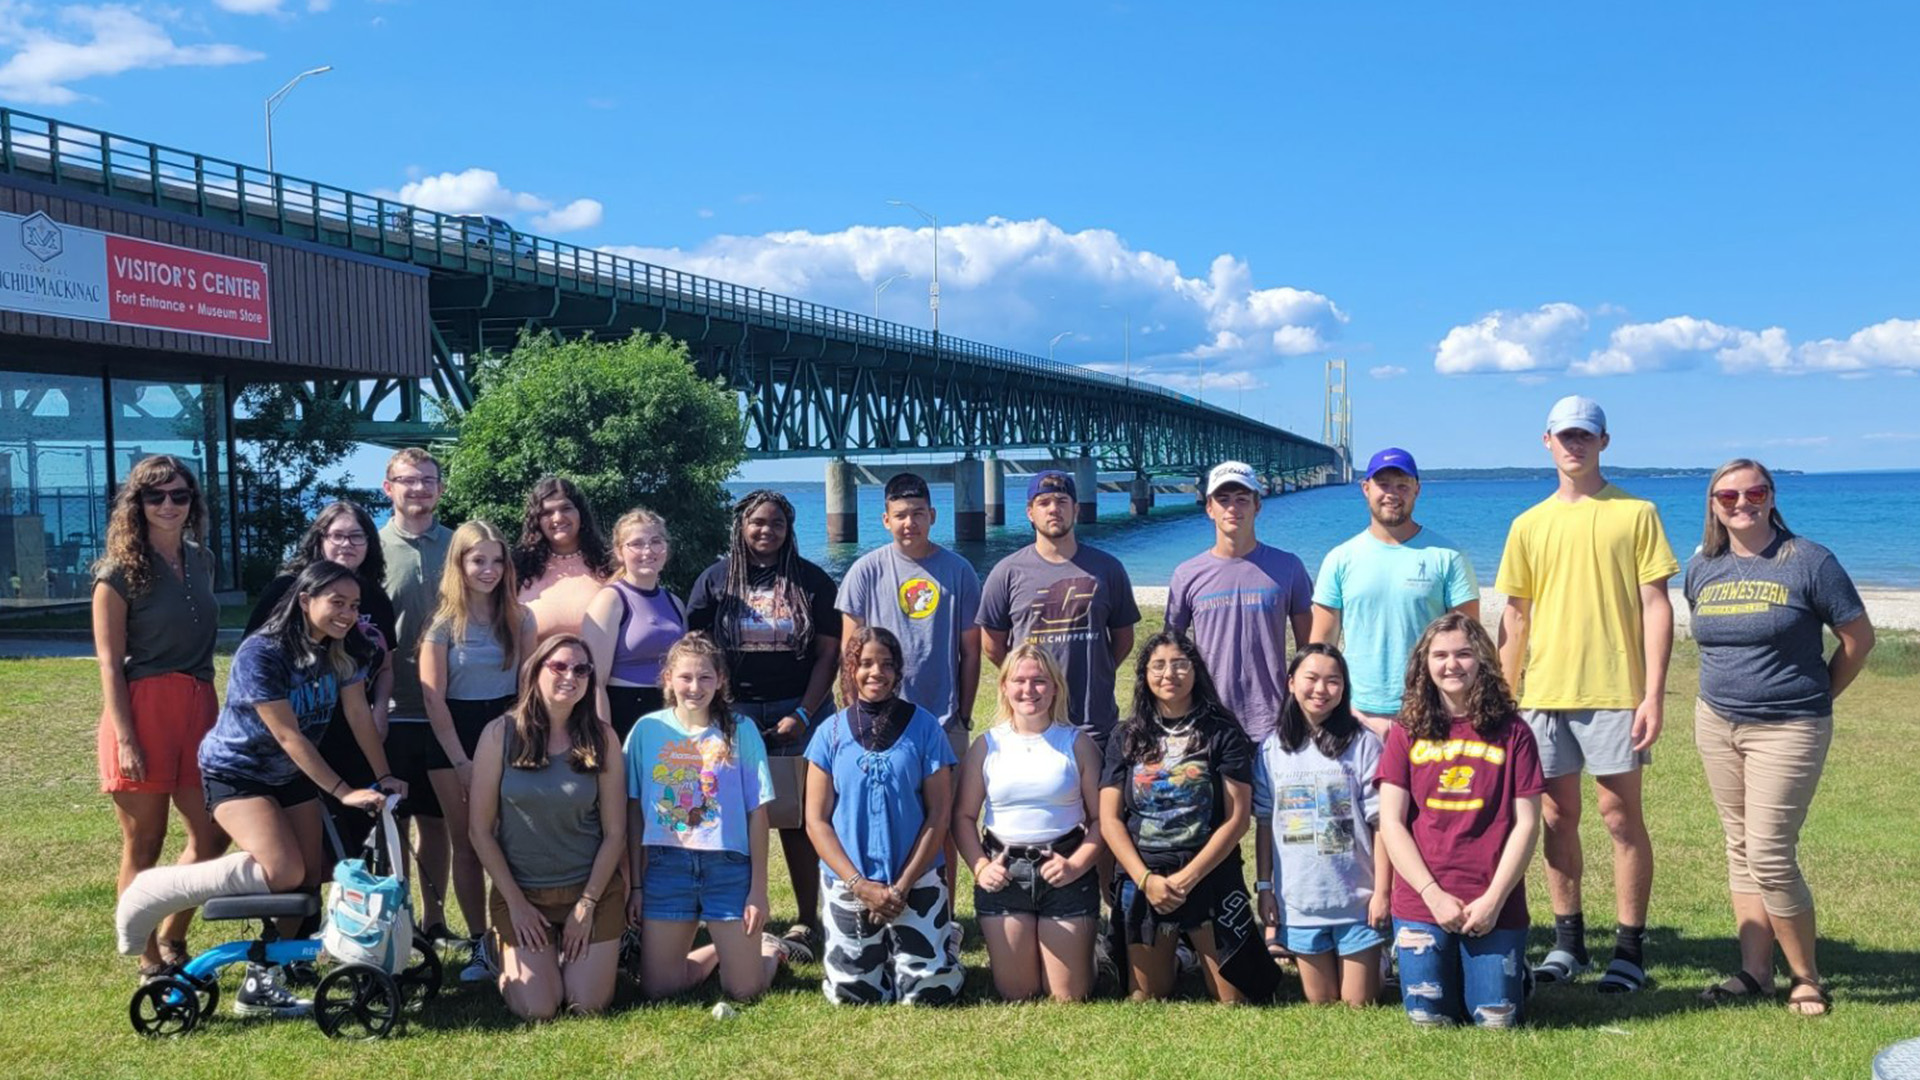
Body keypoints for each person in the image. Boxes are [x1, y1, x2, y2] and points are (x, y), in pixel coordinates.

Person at [1495, 395, 1677, 994]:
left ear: (1604, 442)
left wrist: (1653, 694)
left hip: (1615, 691)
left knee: (1620, 816)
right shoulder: (1527, 523)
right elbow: (1515, 618)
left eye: (1586, 436)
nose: (1575, 445)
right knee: (1555, 815)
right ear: (1545, 441)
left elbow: (1656, 606)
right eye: (1565, 436)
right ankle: (1567, 943)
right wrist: (1502, 695)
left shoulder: (1637, 512)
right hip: (1543, 694)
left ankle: (1629, 951)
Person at [1686, 460, 1874, 1017]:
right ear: (1713, 503)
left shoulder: (1810, 561)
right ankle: (1755, 973)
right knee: (1740, 847)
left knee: (1769, 854)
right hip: (1717, 722)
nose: (1741, 503)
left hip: (1790, 726)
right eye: (1728, 495)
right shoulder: (1703, 567)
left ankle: (1806, 978)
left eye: (1754, 492)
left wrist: (1817, 698)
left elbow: (1857, 639)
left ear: (1771, 497)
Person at [197, 561, 403, 1016]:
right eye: (337, 603)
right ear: (305, 600)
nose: (347, 614)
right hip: (237, 772)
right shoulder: (262, 652)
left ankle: (261, 981)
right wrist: (343, 790)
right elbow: (288, 735)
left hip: (289, 777)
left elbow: (357, 714)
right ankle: (193, 897)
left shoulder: (342, 649)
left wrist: (383, 776)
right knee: (285, 870)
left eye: (353, 605)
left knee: (309, 875)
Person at [686, 490, 841, 953]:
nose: (766, 531)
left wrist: (804, 713)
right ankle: (735, 911)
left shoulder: (813, 581)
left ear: (788, 530)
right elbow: (696, 650)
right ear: (741, 526)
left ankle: (806, 918)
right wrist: (718, 711)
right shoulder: (715, 581)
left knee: (798, 819)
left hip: (799, 708)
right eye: (757, 522)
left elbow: (829, 653)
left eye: (776, 523)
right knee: (728, 817)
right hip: (732, 714)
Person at [92, 455, 228, 980]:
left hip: (200, 704)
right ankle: (147, 956)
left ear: (193, 502)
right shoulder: (117, 572)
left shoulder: (203, 559)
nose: (169, 505)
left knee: (215, 831)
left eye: (180, 495)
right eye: (156, 496)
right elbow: (108, 664)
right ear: (137, 504)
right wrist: (126, 737)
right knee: (145, 841)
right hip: (143, 708)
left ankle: (173, 933)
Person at [624, 634, 804, 1001]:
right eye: (685, 677)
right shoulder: (647, 730)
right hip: (665, 865)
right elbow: (632, 810)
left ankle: (770, 950)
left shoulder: (740, 730)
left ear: (720, 681)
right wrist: (636, 886)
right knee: (660, 990)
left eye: (705, 677)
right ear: (668, 679)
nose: (695, 687)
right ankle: (728, 951)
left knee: (744, 991)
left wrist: (758, 890)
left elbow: (758, 811)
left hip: (728, 867)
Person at [837, 471, 982, 919]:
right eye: (900, 515)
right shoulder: (866, 569)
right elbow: (850, 650)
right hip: (879, 720)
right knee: (884, 815)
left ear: (932, 515)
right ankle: (878, 902)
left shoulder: (958, 570)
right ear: (885, 519)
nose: (909, 523)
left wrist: (963, 711)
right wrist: (851, 714)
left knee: (945, 823)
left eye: (918, 514)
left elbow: (970, 650)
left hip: (940, 719)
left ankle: (947, 916)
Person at [1100, 630, 1273, 1003]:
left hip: (1208, 873)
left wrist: (1186, 879)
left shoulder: (1222, 732)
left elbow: (1237, 818)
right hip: (1147, 873)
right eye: (1158, 666)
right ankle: (1179, 954)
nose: (1169, 674)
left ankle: (1194, 943)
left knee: (1236, 997)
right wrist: (1146, 880)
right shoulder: (1126, 735)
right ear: (1144, 675)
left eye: (1180, 664)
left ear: (1196, 670)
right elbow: (1110, 819)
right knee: (1146, 996)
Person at [468, 633, 627, 1020]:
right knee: (539, 1008)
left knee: (585, 1005)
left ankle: (575, 956)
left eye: (581, 669)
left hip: (590, 893)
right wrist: (517, 905)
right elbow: (480, 831)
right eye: (558, 666)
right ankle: (499, 952)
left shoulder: (602, 737)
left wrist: (586, 906)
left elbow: (615, 833)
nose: (570, 675)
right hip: (523, 894)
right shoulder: (499, 734)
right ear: (535, 670)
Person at [803, 625, 963, 1005]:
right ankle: (883, 954)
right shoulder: (830, 733)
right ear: (851, 669)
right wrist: (859, 885)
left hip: (915, 878)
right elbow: (816, 821)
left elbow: (939, 815)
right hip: (850, 881)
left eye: (887, 664)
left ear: (899, 671)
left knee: (927, 994)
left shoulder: (925, 728)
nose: (876, 672)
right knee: (853, 994)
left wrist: (903, 885)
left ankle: (943, 943)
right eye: (866, 663)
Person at [244, 501, 396, 873]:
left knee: (360, 842)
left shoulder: (374, 596)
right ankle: (298, 925)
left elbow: (384, 663)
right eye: (338, 535)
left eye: (357, 536)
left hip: (353, 730)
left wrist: (379, 709)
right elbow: (254, 667)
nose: (347, 544)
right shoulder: (285, 589)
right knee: (301, 853)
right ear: (319, 540)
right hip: (296, 731)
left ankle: (358, 926)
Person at [952, 643, 1104, 1002]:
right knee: (1019, 993)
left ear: (1055, 687)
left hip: (1065, 869)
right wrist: (979, 867)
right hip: (1005, 874)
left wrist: (1076, 865)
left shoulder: (1077, 743)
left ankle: (1091, 955)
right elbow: (963, 817)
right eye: (1019, 680)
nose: (1029, 689)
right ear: (1004, 686)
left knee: (1067, 997)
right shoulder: (986, 746)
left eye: (1039, 681)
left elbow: (1102, 820)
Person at [421, 520, 536, 981]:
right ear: (460, 564)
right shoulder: (442, 623)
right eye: (477, 560)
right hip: (453, 738)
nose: (487, 570)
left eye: (496, 560)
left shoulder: (521, 618)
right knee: (468, 841)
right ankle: (478, 943)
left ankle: (522, 933)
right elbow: (433, 697)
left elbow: (529, 685)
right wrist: (463, 762)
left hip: (506, 732)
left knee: (513, 840)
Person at [1252, 644, 1389, 1007]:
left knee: (1359, 1004)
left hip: (1356, 900)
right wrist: (1266, 887)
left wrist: (1383, 892)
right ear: (1291, 683)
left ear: (1344, 689)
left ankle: (1381, 961)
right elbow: (1265, 823)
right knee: (1322, 1003)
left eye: (1333, 681)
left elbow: (1381, 825)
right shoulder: (1271, 750)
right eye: (1311, 679)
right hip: (1301, 902)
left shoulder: (1363, 744)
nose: (1321, 689)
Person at [1310, 448, 1479, 738]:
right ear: (1366, 488)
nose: (1392, 493)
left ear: (1417, 490)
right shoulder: (1340, 558)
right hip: (1357, 711)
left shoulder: (1448, 556)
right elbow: (1322, 644)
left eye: (1402, 485)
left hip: (1430, 708)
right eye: (1383, 484)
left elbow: (1470, 640)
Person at [978, 470, 1140, 750]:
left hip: (1094, 723)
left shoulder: (1108, 569)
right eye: (1044, 503)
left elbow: (1124, 637)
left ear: (1075, 509)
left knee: (1099, 795)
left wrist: (1099, 669)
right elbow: (991, 644)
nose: (1054, 509)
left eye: (1062, 501)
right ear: (1030, 512)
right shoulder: (1006, 572)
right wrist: (1024, 677)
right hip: (1033, 724)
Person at [1167, 460, 1313, 746]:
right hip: (1208, 721)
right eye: (1223, 500)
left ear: (1257, 505)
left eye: (1242, 499)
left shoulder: (1289, 567)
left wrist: (1303, 709)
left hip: (1274, 722)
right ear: (1209, 508)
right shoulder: (1186, 574)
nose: (1232, 508)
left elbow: (1307, 649)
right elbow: (1170, 650)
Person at [378, 447, 458, 942]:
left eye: (429, 480)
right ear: (388, 487)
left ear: (440, 489)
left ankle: (435, 920)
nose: (420, 489)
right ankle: (396, 919)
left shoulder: (456, 545)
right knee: (393, 823)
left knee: (437, 822)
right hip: (389, 708)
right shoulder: (370, 546)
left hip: (446, 707)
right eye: (409, 480)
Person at [581, 508, 685, 743]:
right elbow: (594, 681)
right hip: (624, 714)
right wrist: (603, 739)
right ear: (620, 552)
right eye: (636, 544)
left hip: (669, 714)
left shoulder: (675, 603)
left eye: (656, 542)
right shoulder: (610, 601)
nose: (648, 551)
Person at [515, 476, 610, 640]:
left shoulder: (610, 563)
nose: (558, 518)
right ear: (537, 520)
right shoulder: (518, 567)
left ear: (580, 513)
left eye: (566, 508)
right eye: (547, 512)